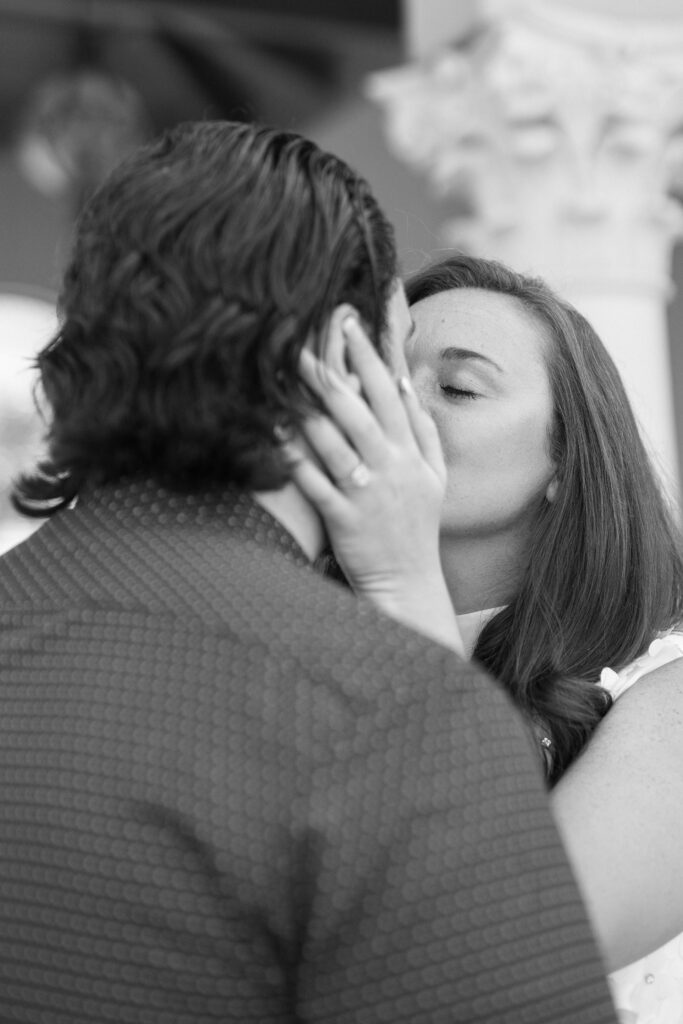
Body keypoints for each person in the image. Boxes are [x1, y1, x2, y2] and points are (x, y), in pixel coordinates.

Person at [0, 124, 617, 1022]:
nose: (407, 401)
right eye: (396, 349)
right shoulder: (391, 705)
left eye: (457, 385)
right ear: (340, 352)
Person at [288, 251, 683, 1022]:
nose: (396, 402)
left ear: (564, 460)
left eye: (457, 386)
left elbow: (519, 935)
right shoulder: (282, 648)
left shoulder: (666, 687)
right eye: (377, 371)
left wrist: (403, 576)